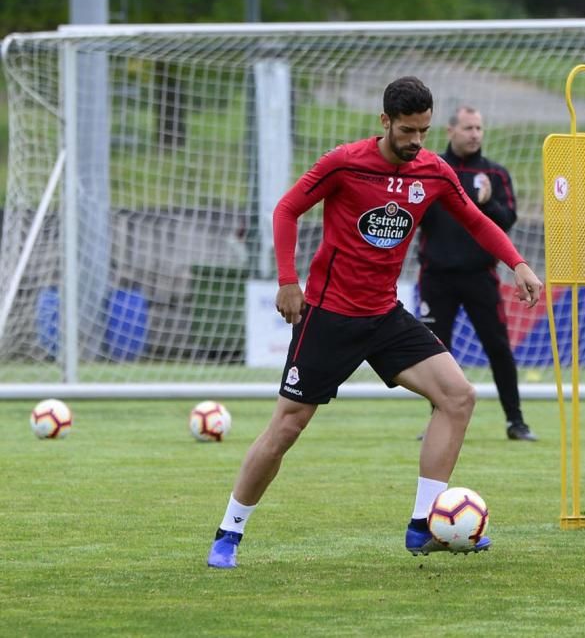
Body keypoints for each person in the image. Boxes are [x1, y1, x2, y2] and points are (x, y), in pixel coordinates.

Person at [206, 77, 543, 568]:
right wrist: (287, 280)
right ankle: (228, 533)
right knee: (286, 427)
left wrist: (518, 263)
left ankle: (424, 525)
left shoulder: (432, 170)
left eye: (424, 131)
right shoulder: (344, 162)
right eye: (408, 130)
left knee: (458, 397)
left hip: (384, 315)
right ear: (385, 122)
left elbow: (475, 219)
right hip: (328, 316)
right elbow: (286, 210)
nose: (416, 141)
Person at [417, 106, 536, 442]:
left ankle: (516, 421)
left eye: (479, 128)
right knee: (435, 351)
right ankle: (436, 421)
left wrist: (486, 203)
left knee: (498, 347)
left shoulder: (494, 176)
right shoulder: (431, 170)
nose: (474, 134)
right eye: (468, 128)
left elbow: (507, 220)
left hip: (479, 277)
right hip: (436, 277)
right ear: (450, 130)